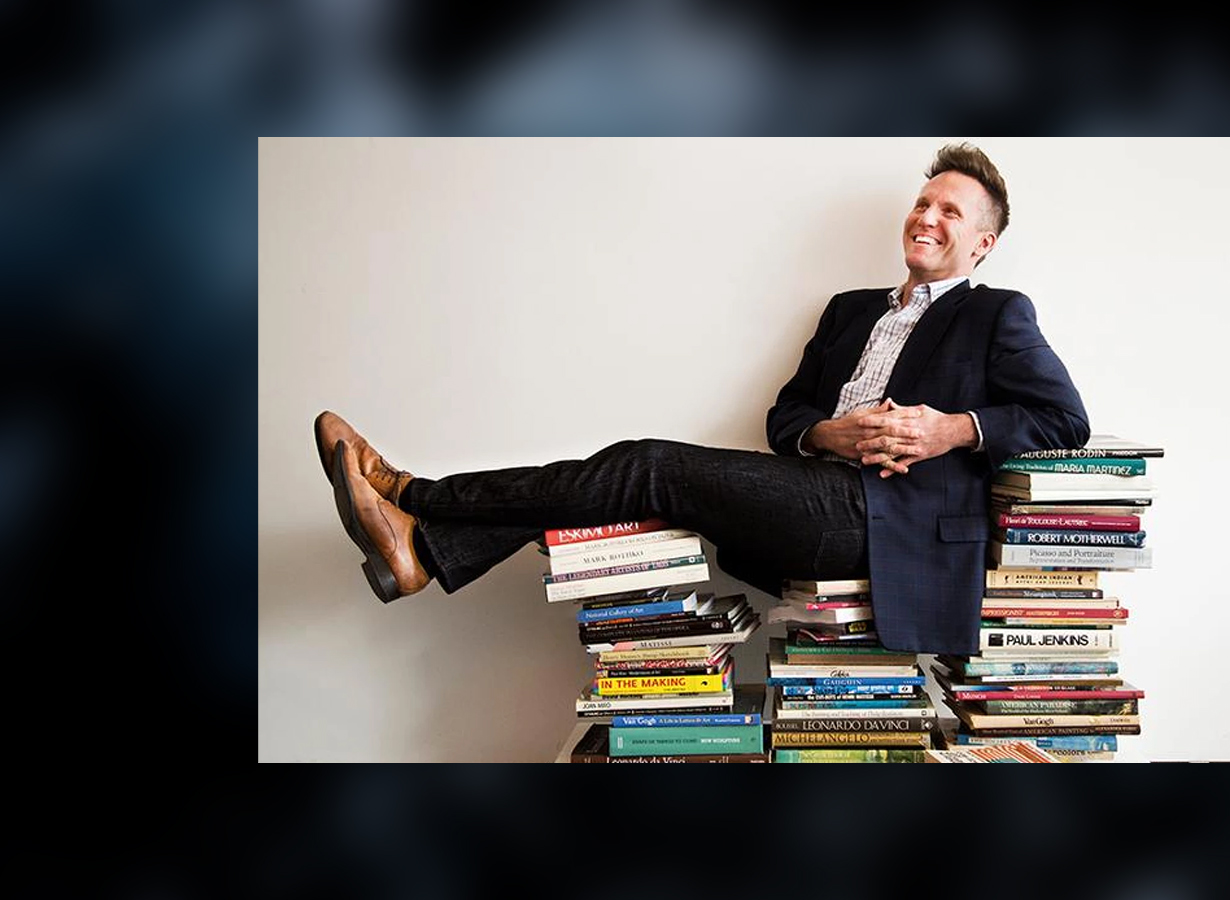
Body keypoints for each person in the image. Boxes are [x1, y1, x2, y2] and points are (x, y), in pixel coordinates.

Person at [315, 143, 1089, 656]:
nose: (927, 217)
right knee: (623, 477)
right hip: (811, 489)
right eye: (924, 202)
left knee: (650, 464)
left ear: (983, 244)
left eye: (951, 212)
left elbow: (1066, 420)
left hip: (883, 522)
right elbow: (785, 417)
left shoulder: (997, 312)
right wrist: (826, 436)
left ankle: (415, 495)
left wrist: (949, 428)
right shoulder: (850, 308)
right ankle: (421, 550)